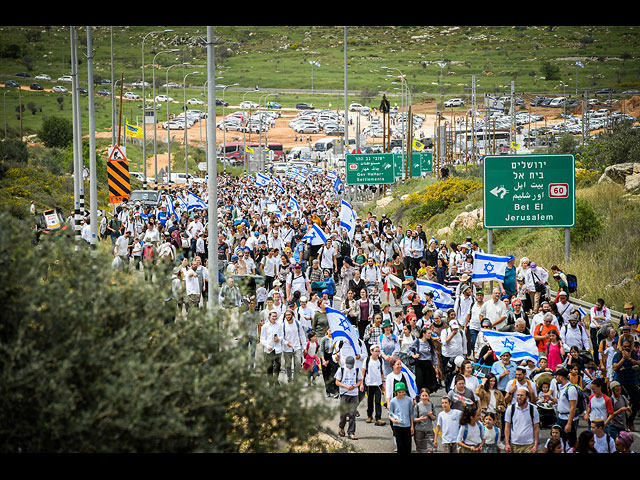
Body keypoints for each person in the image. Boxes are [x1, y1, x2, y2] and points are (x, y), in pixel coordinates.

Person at [611, 338, 640, 431]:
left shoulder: (634, 354)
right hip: (621, 382)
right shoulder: (618, 355)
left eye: (628, 346)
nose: (626, 348)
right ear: (621, 347)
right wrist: (623, 359)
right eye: (624, 347)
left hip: (632, 381)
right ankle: (625, 423)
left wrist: (631, 360)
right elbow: (615, 367)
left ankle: (630, 420)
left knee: (636, 402)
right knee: (622, 404)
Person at [504, 387, 540, 453]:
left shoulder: (533, 409)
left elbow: (536, 428)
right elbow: (507, 426)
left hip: (529, 444)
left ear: (527, 397)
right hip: (514, 444)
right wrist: (507, 443)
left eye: (521, 395)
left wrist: (535, 445)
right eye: (518, 395)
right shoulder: (510, 409)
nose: (519, 397)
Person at [335, 356, 363, 440]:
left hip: (354, 394)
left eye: (351, 366)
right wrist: (346, 386)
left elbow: (360, 380)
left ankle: (351, 432)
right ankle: (341, 427)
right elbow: (337, 382)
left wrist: (355, 386)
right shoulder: (341, 370)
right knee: (343, 414)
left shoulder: (357, 369)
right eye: (348, 366)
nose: (350, 368)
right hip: (344, 393)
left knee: (352, 414)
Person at [408, 326, 439, 394]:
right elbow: (409, 349)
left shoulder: (430, 342)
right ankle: (420, 395)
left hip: (428, 364)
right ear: (423, 334)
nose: (430, 335)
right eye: (428, 333)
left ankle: (426, 395)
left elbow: (434, 354)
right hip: (420, 363)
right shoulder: (417, 341)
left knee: (429, 382)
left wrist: (436, 365)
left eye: (430, 333)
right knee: (420, 382)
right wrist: (414, 355)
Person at [554, 368, 579, 448]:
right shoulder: (561, 388)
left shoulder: (571, 389)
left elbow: (573, 407)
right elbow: (561, 402)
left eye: (556, 376)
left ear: (561, 377)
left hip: (568, 419)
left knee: (571, 442)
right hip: (560, 418)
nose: (555, 378)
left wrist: (569, 424)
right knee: (559, 441)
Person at [361, 345, 386, 427]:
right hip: (369, 383)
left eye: (378, 351)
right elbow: (363, 371)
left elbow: (382, 372)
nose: (377, 353)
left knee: (378, 401)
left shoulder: (380, 360)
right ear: (371, 351)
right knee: (370, 400)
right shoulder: (367, 360)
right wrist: (362, 383)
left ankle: (378, 417)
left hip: (378, 383)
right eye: (376, 351)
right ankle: (369, 416)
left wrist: (383, 383)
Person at [388, 381, 415, 453]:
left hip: (407, 425)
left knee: (408, 445)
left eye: (402, 392)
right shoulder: (393, 401)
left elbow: (411, 414)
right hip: (397, 426)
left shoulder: (409, 400)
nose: (401, 394)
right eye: (399, 392)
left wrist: (412, 426)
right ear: (396, 392)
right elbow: (390, 414)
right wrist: (393, 420)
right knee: (400, 445)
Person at [260, 311, 284, 386]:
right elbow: (262, 339)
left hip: (277, 349)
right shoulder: (265, 326)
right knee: (269, 367)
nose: (274, 318)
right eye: (273, 316)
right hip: (269, 349)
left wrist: (279, 339)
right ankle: (270, 382)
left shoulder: (279, 325)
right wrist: (267, 346)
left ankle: (276, 380)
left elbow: (282, 335)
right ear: (269, 317)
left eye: (275, 316)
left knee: (277, 366)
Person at [413, 388, 436, 453]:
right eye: (423, 396)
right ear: (420, 396)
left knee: (430, 449)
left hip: (429, 430)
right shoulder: (417, 406)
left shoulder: (431, 405)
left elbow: (434, 418)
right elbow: (413, 419)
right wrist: (420, 419)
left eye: (426, 395)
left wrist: (431, 415)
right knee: (420, 449)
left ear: (429, 396)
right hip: (419, 430)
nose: (425, 397)